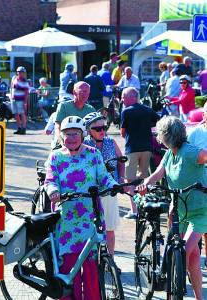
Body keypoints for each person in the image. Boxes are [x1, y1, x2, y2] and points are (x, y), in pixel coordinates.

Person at [44, 115, 118, 300]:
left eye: (75, 134)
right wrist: (53, 191)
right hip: (67, 217)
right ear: (61, 136)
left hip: (90, 216)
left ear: (83, 134)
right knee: (70, 265)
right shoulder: (56, 156)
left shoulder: (93, 154)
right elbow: (50, 179)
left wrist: (112, 185)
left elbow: (103, 176)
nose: (71, 138)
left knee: (91, 265)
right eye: (67, 134)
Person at [137, 116, 207, 300]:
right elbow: (159, 172)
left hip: (200, 210)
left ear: (166, 136)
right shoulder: (169, 154)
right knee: (192, 259)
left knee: (184, 251)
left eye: (160, 134)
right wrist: (145, 183)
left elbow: (204, 155)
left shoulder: (189, 151)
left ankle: (173, 288)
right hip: (180, 210)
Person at [83, 112, 125, 256]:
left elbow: (121, 160)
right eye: (97, 129)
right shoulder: (83, 145)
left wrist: (121, 179)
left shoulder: (110, 142)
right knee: (89, 228)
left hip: (108, 190)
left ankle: (110, 260)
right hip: (89, 193)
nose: (102, 131)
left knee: (110, 228)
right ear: (88, 130)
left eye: (104, 127)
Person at [120, 87, 160, 219]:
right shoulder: (147, 110)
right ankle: (146, 208)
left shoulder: (126, 111)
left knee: (130, 180)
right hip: (147, 148)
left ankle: (135, 211)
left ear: (131, 97)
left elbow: (122, 132)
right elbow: (158, 121)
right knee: (144, 179)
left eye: (123, 97)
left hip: (132, 148)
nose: (122, 99)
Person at [187, 101, 207, 268]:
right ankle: (191, 261)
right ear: (204, 115)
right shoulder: (195, 133)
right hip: (197, 185)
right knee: (199, 224)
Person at [10, 66, 29, 134]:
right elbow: (12, 88)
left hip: (21, 100)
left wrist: (25, 102)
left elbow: (26, 92)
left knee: (22, 113)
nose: (20, 73)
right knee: (16, 114)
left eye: (21, 72)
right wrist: (11, 95)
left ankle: (23, 128)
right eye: (19, 72)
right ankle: (19, 128)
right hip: (13, 99)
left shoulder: (25, 81)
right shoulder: (14, 79)